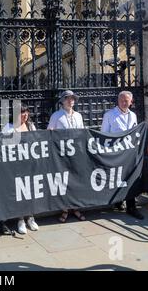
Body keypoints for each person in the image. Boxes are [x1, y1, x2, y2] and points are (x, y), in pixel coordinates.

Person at [101, 91, 144, 220]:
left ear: (131, 102)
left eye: (127, 101)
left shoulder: (133, 115)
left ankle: (131, 206)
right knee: (118, 177)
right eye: (122, 100)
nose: (124, 103)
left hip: (130, 152)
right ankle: (118, 201)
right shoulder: (109, 115)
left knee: (130, 177)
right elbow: (104, 134)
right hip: (116, 152)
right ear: (118, 101)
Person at [47, 90, 86, 223]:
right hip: (62, 154)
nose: (71, 101)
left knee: (75, 179)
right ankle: (64, 209)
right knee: (64, 181)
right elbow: (49, 134)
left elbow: (81, 133)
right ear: (62, 101)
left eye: (73, 99)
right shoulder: (56, 116)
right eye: (68, 99)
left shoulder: (78, 116)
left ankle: (75, 207)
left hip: (76, 153)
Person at [2, 105, 39, 234]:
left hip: (30, 164)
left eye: (26, 112)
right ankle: (21, 219)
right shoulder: (9, 127)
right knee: (20, 191)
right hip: (16, 165)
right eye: (22, 112)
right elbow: (2, 143)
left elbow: (37, 141)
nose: (25, 115)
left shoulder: (30, 126)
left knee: (31, 191)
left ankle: (31, 217)